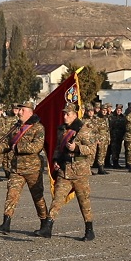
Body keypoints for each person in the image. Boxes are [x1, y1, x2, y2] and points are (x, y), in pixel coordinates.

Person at [38, 103, 96, 240]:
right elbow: (58, 147)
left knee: (84, 202)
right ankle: (48, 227)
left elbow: (92, 150)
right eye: (64, 114)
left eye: (68, 114)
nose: (65, 116)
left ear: (75, 115)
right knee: (57, 199)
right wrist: (56, 160)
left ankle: (89, 229)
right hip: (64, 172)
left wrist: (77, 148)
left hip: (79, 172)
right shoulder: (62, 130)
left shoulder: (84, 129)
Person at [0, 101, 47, 235]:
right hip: (16, 168)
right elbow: (8, 145)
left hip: (33, 168)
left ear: (30, 112)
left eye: (22, 110)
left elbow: (36, 146)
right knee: (11, 195)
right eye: (19, 110)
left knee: (38, 197)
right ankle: (6, 223)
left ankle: (44, 224)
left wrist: (18, 148)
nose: (19, 112)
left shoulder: (38, 128)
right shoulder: (15, 127)